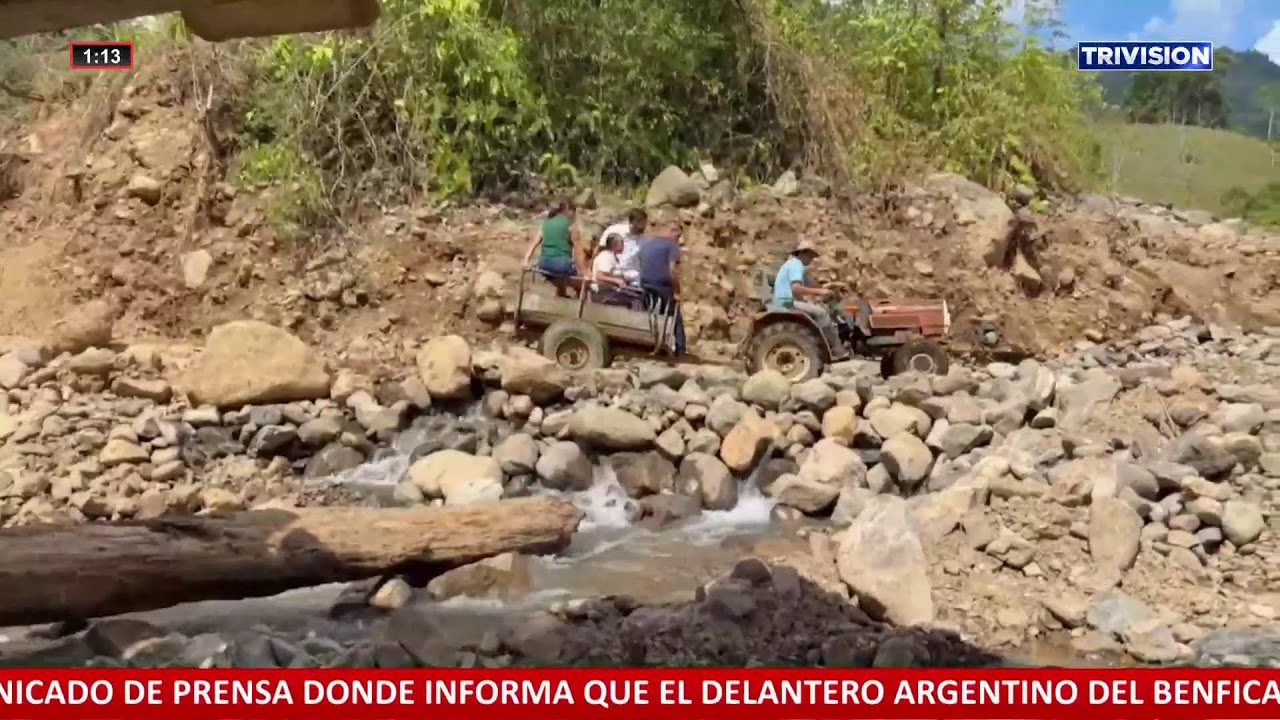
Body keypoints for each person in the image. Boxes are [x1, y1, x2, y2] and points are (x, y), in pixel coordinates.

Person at [636, 224, 685, 356]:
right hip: (662, 285)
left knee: (649, 314)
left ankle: (646, 344)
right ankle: (680, 350)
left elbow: (641, 263)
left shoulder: (646, 243)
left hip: (645, 283)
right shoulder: (671, 246)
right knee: (674, 316)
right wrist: (676, 291)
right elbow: (672, 269)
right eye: (678, 235)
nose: (679, 240)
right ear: (671, 231)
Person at [522, 199, 586, 297]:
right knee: (583, 285)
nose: (574, 216)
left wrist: (526, 260)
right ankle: (584, 308)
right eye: (574, 213)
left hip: (543, 264)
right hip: (561, 265)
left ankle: (561, 298)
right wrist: (583, 272)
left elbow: (534, 243)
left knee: (560, 281)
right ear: (569, 211)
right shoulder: (571, 225)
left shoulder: (546, 223)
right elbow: (578, 251)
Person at [772, 240, 838, 333]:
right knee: (822, 313)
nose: (811, 259)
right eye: (811, 256)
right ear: (804, 252)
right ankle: (831, 344)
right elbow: (795, 288)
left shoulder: (792, 263)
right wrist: (820, 292)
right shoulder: (796, 264)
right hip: (786, 303)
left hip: (785, 300)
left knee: (815, 307)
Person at [598, 208, 647, 285]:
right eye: (640, 223)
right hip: (613, 271)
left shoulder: (643, 239)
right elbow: (600, 249)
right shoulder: (616, 230)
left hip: (633, 274)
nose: (643, 227)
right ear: (632, 222)